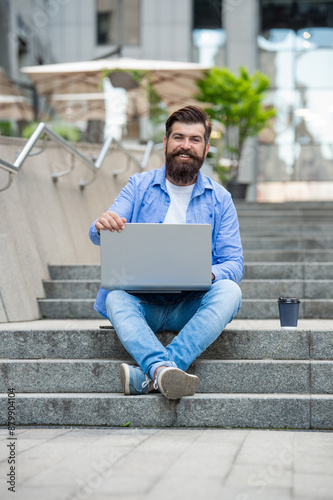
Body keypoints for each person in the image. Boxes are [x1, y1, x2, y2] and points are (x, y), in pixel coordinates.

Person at [89, 105, 244, 400]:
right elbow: (99, 233)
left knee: (230, 292)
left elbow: (235, 263)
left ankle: (153, 373)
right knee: (115, 296)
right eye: (178, 137)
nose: (186, 145)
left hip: (190, 305)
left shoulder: (220, 198)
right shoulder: (138, 185)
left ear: (206, 148)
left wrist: (207, 272)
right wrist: (102, 224)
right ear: (165, 143)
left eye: (195, 139)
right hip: (142, 303)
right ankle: (164, 372)